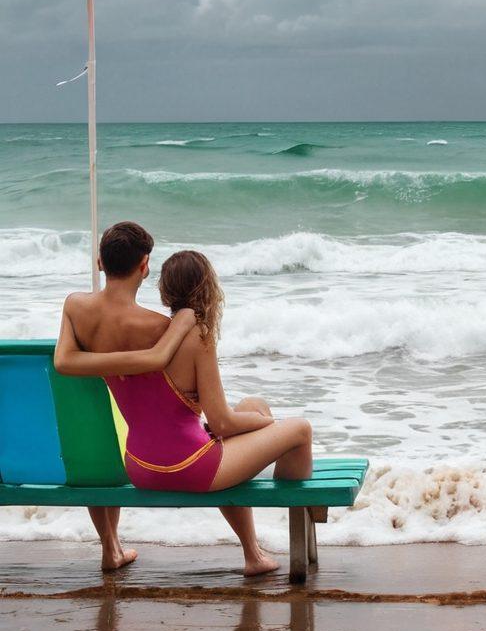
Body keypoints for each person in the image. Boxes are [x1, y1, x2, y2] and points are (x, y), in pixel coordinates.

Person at [55, 221, 313, 577]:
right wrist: (270, 426)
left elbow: (65, 361)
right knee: (297, 430)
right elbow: (220, 423)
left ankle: (254, 554)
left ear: (100, 261)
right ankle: (300, 515)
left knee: (251, 405)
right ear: (145, 266)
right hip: (190, 466)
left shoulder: (76, 309)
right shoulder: (169, 331)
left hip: (139, 465)